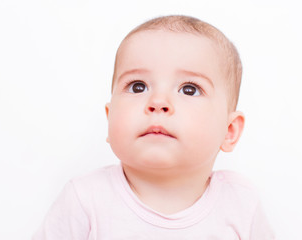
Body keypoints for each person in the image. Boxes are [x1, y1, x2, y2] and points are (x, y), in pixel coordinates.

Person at [33, 15, 275, 239]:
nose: (158, 102)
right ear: (110, 119)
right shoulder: (85, 200)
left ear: (229, 131)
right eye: (138, 86)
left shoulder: (241, 203)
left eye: (189, 89)